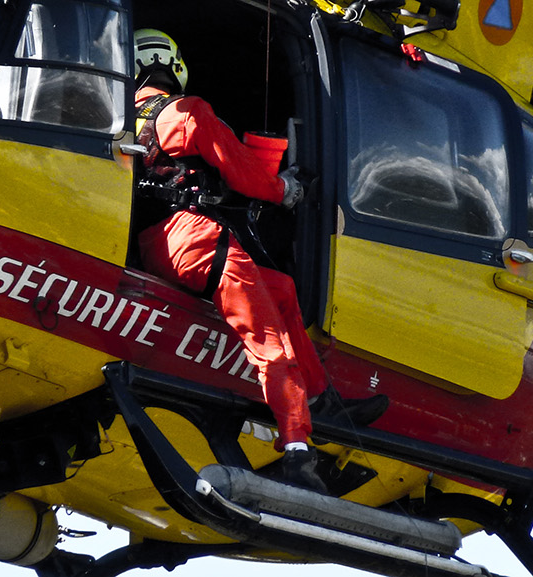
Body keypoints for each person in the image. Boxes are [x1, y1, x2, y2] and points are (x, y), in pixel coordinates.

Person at [131, 29, 386, 493]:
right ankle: (296, 450)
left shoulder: (128, 122)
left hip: (156, 245)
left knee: (283, 291)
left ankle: (323, 400)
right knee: (269, 343)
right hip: (197, 241)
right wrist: (284, 189)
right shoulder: (186, 112)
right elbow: (241, 170)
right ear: (173, 65)